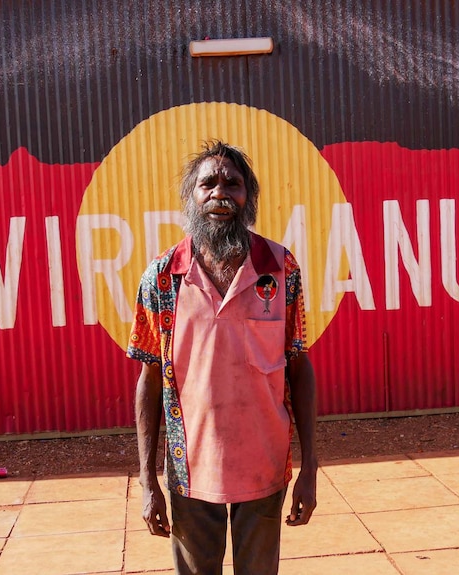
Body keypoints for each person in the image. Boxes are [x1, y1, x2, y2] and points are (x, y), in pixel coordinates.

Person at [127, 140, 318, 575]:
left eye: (233, 184)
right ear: (190, 197)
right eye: (207, 183)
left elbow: (299, 366)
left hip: (264, 463)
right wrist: (147, 481)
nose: (220, 193)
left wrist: (310, 468)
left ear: (248, 197)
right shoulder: (161, 277)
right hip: (190, 470)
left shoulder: (280, 267)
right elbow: (149, 378)